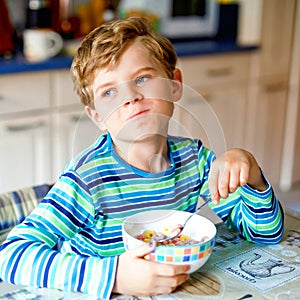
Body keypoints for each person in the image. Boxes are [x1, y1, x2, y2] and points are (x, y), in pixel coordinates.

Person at [0, 17, 284, 299]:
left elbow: (265, 236)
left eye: (143, 79)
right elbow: (10, 257)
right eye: (109, 92)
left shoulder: (195, 160)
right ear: (98, 117)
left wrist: (253, 179)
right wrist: (115, 277)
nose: (130, 97)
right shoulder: (87, 179)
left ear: (174, 85)